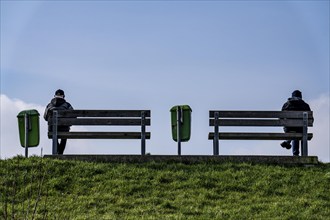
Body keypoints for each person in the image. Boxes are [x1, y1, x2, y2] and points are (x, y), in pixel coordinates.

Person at [280, 90, 311, 156]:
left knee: (294, 131)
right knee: (298, 131)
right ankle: (295, 154)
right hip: (301, 129)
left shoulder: (286, 104)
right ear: (301, 96)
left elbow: (280, 118)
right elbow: (310, 119)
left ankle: (288, 141)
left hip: (288, 128)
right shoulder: (305, 105)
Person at [44, 89, 73, 154]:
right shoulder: (67, 105)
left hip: (52, 129)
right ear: (63, 96)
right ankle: (60, 153)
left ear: (54, 96)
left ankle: (57, 152)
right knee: (64, 136)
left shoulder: (49, 105)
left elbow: (45, 117)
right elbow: (73, 116)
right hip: (64, 129)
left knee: (54, 134)